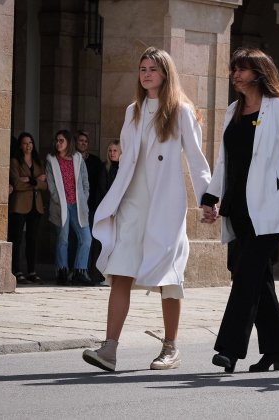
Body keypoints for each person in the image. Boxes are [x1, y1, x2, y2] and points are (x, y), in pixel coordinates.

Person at [82, 47, 211, 372]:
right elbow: (127, 159)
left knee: (169, 277)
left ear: (166, 74)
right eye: (142, 68)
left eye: (153, 68)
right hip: (133, 203)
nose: (147, 74)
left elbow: (196, 159)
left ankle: (170, 347)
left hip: (165, 203)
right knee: (121, 271)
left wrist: (209, 199)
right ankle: (109, 349)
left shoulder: (181, 111)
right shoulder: (133, 111)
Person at [201, 47, 279, 374]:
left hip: (273, 208)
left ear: (260, 72)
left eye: (243, 69)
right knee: (258, 277)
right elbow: (226, 161)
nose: (236, 75)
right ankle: (274, 350)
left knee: (246, 274)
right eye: (234, 69)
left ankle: (228, 349)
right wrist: (210, 197)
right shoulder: (233, 111)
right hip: (239, 208)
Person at [45, 129, 94, 286]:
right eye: (57, 140)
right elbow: (51, 185)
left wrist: (84, 199)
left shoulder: (78, 158)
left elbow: (85, 182)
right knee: (63, 239)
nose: (58, 143)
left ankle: (80, 271)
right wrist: (58, 200)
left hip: (78, 206)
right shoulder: (51, 160)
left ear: (68, 143)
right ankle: (62, 272)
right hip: (61, 207)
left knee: (86, 238)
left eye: (61, 140)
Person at [8, 132, 47, 284]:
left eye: (30, 143)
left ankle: (32, 271)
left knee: (32, 240)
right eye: (25, 143)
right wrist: (36, 181)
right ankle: (17, 270)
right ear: (20, 145)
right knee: (17, 239)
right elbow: (17, 184)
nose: (28, 146)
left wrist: (31, 180)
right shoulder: (15, 161)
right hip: (19, 206)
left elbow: (45, 185)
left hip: (35, 206)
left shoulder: (38, 162)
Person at [75, 130, 105, 282]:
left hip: (91, 206)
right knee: (74, 239)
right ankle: (73, 271)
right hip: (74, 205)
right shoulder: (72, 159)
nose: (83, 143)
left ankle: (87, 271)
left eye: (85, 141)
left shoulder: (95, 161)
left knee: (89, 240)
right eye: (80, 141)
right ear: (75, 142)